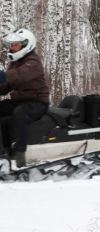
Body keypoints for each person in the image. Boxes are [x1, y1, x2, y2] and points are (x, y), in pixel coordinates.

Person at [0, 29, 50, 167]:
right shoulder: (15, 63)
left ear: (25, 44)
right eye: (12, 45)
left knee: (20, 114)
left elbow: (20, 75)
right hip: (18, 101)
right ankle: (3, 151)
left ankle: (18, 157)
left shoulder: (33, 62)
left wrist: (3, 75)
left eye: (15, 45)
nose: (12, 48)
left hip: (37, 102)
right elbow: (6, 87)